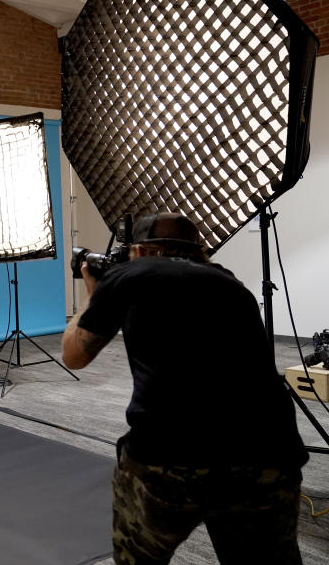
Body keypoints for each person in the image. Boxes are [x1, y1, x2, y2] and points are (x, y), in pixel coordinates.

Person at [62, 212, 307, 565]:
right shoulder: (232, 283)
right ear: (199, 251)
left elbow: (74, 355)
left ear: (141, 252)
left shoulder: (129, 274)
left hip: (169, 459)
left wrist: (93, 292)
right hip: (269, 456)